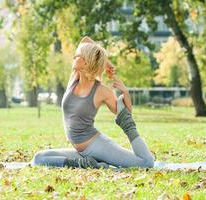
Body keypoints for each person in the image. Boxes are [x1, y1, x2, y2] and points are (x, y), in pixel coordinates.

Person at [31, 36, 155, 169]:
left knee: (146, 163)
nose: (74, 57)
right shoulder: (74, 79)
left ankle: (141, 155)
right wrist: (106, 62)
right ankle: (86, 164)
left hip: (98, 146)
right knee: (39, 158)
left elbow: (126, 114)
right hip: (81, 152)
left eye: (77, 56)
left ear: (86, 62)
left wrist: (126, 93)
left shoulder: (101, 91)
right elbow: (85, 40)